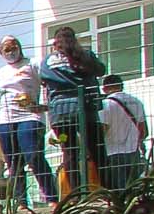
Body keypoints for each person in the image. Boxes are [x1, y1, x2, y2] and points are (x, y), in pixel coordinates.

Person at [37, 24, 104, 194]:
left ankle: (76, 194)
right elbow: (101, 70)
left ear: (55, 43)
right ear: (74, 40)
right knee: (97, 151)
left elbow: (44, 79)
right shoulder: (86, 55)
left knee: (70, 153)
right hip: (87, 109)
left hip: (61, 114)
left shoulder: (48, 62)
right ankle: (109, 190)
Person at [0, 37, 56, 205]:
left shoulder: (32, 64)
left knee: (33, 155)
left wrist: (44, 105)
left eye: (14, 48)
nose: (11, 52)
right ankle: (21, 203)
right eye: (7, 50)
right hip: (6, 118)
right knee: (13, 161)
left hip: (30, 115)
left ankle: (51, 197)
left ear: (20, 47)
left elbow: (49, 83)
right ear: (1, 53)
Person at [97, 72, 148, 190]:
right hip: (134, 151)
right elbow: (144, 131)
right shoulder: (137, 102)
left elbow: (103, 129)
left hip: (113, 152)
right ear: (121, 85)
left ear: (104, 88)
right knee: (134, 188)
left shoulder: (105, 104)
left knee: (120, 190)